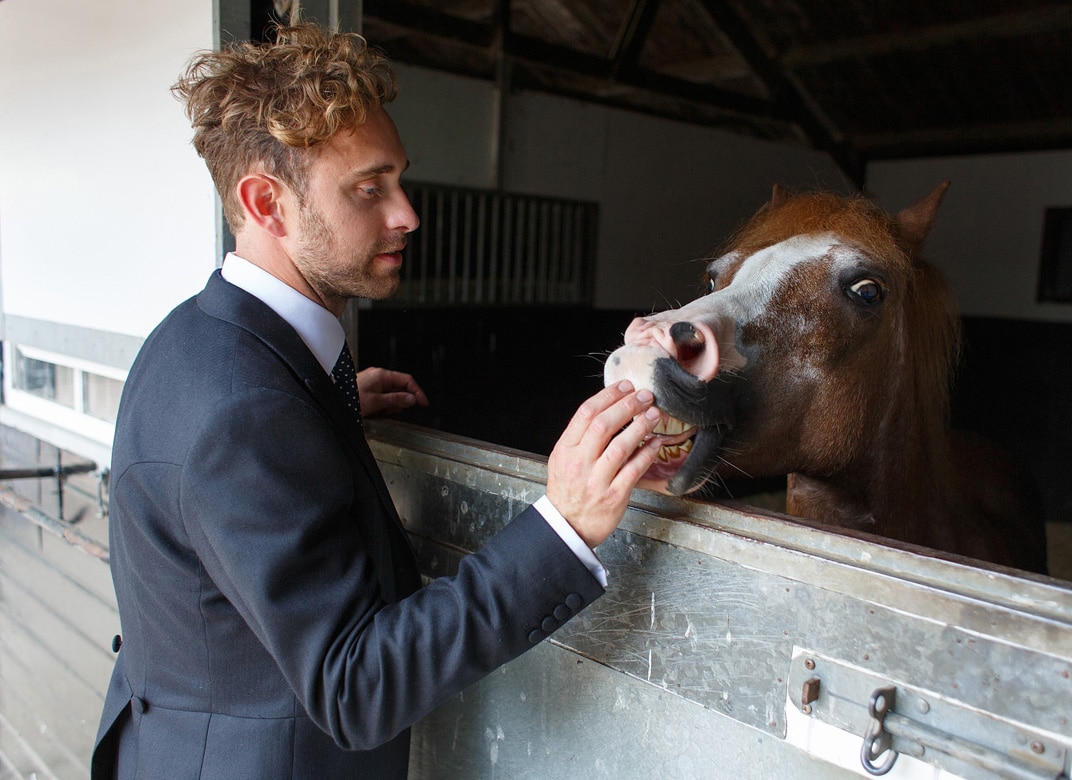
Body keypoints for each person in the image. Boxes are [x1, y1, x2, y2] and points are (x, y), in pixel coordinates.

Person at [91, 21, 662, 778]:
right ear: (266, 203)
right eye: (369, 189)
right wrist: (565, 525)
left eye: (398, 178)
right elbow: (355, 688)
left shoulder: (196, 340)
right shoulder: (250, 412)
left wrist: (325, 405)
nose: (407, 214)